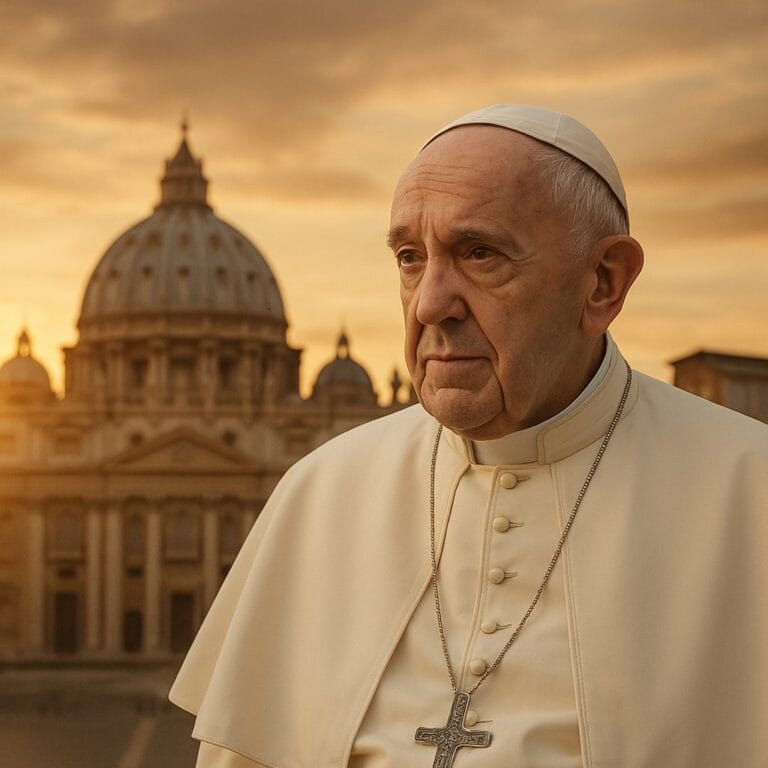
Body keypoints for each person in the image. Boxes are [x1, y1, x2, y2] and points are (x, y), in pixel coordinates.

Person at [170, 105, 768, 768]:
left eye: (480, 254)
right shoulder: (317, 491)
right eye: (409, 258)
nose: (429, 303)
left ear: (603, 282)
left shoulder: (752, 491)